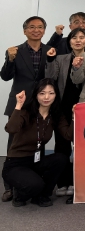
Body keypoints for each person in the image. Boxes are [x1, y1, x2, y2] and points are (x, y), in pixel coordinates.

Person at [1, 16, 51, 202]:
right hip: (19, 103)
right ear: (25, 31)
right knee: (14, 144)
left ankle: (35, 181)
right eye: (32, 27)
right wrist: (10, 59)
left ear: (44, 30)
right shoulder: (15, 50)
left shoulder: (50, 50)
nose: (36, 30)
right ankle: (10, 186)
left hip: (42, 104)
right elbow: (5, 76)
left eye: (40, 27)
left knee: (40, 142)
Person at [2, 80, 73, 207]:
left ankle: (42, 196)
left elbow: (68, 135)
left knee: (61, 158)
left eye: (51, 93)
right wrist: (18, 105)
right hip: (15, 164)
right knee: (36, 184)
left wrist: (74, 117)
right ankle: (20, 194)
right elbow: (11, 129)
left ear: (56, 95)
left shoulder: (55, 115)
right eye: (42, 93)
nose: (46, 97)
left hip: (35, 161)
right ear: (36, 95)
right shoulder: (26, 111)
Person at [45, 27, 85, 198]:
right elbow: (50, 77)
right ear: (69, 41)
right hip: (63, 108)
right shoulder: (61, 59)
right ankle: (63, 182)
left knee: (83, 146)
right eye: (74, 37)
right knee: (62, 146)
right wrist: (50, 60)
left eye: (81, 37)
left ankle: (79, 182)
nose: (78, 40)